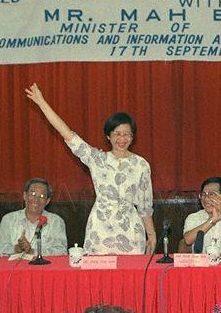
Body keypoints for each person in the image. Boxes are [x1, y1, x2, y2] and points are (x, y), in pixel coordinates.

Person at [25, 83, 156, 254]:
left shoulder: (141, 165)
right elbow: (67, 134)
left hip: (131, 231)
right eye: (117, 133)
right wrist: (42, 103)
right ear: (108, 136)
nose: (122, 138)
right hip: (100, 231)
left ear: (132, 137)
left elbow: (145, 206)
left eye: (126, 134)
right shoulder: (97, 159)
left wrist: (151, 234)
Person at [0, 178, 67, 256]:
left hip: (43, 267)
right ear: (24, 196)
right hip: (13, 267)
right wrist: (16, 248)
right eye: (32, 194)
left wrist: (32, 252)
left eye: (41, 196)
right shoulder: (9, 219)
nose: (36, 200)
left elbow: (62, 251)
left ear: (47, 201)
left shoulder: (56, 222)